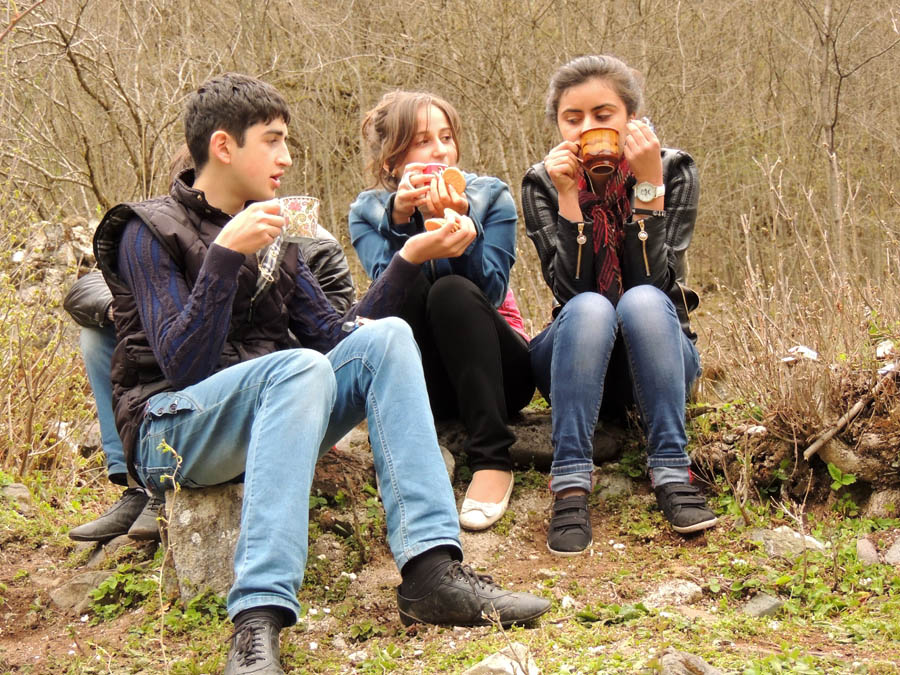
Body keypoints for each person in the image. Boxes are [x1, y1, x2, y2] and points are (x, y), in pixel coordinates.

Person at [93, 73, 549, 675]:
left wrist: (410, 258)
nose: (286, 158)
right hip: (171, 433)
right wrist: (225, 257)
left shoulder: (277, 232)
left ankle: (432, 571)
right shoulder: (145, 229)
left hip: (275, 412)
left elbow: (337, 338)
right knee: (299, 367)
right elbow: (183, 367)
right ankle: (256, 620)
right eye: (273, 141)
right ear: (224, 146)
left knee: (387, 337)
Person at [65, 190, 356, 545]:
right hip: (195, 371)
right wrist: (132, 307)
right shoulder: (162, 231)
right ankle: (137, 488)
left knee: (270, 359)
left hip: (282, 372)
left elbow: (328, 330)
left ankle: (167, 485)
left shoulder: (310, 242)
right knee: (99, 335)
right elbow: (82, 291)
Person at [521, 55, 717, 556]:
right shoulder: (542, 182)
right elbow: (569, 292)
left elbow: (657, 282)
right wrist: (569, 199)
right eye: (573, 118)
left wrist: (649, 187)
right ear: (559, 126)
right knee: (590, 307)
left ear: (631, 117)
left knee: (644, 299)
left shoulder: (674, 169)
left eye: (603, 114)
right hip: (575, 360)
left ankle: (672, 471)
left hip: (658, 357)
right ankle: (570, 485)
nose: (588, 128)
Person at [349, 91, 534, 532]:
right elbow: (386, 304)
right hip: (427, 382)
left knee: (451, 290)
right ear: (392, 160)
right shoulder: (368, 211)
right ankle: (418, 451)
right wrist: (401, 225)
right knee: (405, 278)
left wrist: (464, 228)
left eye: (446, 137)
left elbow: (490, 292)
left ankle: (493, 459)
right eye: (422, 141)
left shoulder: (491, 196)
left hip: (499, 373)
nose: (440, 151)